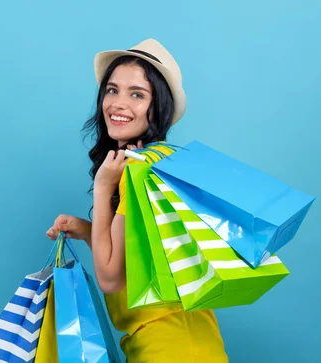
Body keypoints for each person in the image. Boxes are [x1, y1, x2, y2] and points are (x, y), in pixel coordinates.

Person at [46, 39, 229, 362]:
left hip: (168, 348)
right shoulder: (166, 162)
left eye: (137, 94)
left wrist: (104, 187)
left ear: (158, 108)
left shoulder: (137, 170)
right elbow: (137, 255)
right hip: (196, 341)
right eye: (112, 90)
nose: (117, 103)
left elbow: (111, 277)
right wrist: (89, 231)